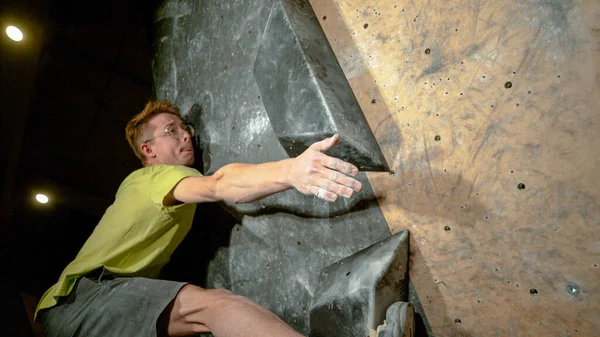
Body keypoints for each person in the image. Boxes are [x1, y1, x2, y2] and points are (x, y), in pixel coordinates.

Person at [34, 100, 364, 337]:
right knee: (216, 306)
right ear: (148, 151)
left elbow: (227, 189)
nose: (185, 136)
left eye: (184, 129)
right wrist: (289, 170)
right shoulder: (153, 178)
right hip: (80, 298)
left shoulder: (157, 188)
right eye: (171, 131)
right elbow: (218, 185)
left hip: (69, 314)